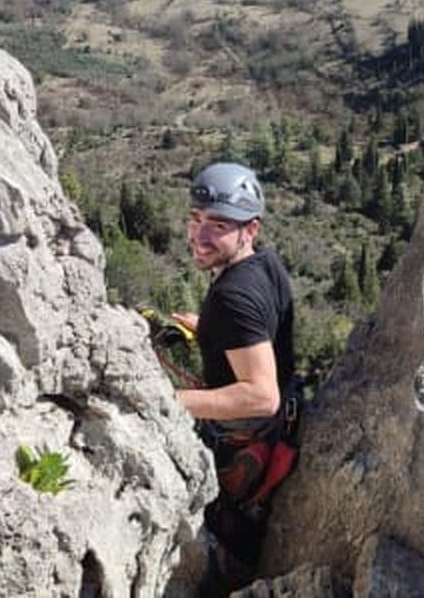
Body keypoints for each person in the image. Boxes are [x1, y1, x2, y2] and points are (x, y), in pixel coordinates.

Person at [172, 162, 297, 594]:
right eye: (196, 219)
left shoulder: (234, 297)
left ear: (250, 229)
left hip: (244, 437)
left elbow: (262, 397)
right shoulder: (263, 263)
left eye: (218, 225)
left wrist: (174, 402)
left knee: (224, 540)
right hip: (278, 420)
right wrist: (206, 329)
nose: (200, 235)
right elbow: (257, 329)